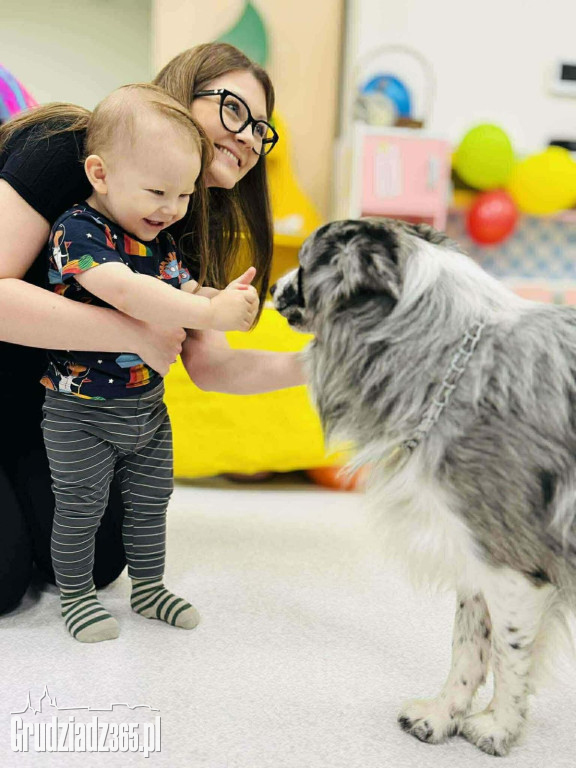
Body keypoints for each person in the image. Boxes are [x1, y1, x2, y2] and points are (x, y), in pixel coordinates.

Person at [0, 42, 305, 616]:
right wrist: (132, 333)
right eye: (234, 109)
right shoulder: (63, 149)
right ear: (181, 93)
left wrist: (320, 365)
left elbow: (210, 364)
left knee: (100, 560)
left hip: (47, 408)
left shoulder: (181, 221)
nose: (247, 137)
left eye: (262, 130)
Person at [41, 84, 262, 642]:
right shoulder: (78, 230)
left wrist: (221, 299)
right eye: (159, 191)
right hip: (79, 411)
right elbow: (129, 294)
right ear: (100, 173)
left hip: (145, 409)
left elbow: (182, 290)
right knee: (79, 508)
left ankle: (149, 586)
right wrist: (209, 313)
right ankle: (76, 595)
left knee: (150, 503)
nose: (172, 209)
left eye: (185, 195)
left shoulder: (158, 239)